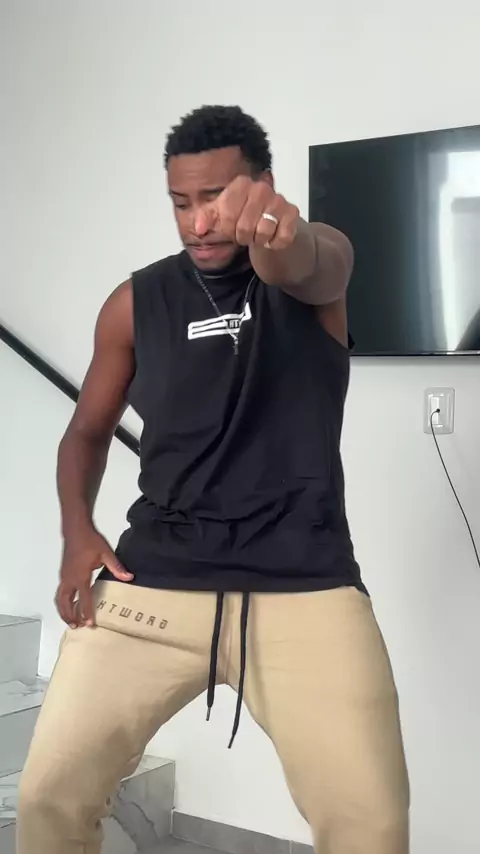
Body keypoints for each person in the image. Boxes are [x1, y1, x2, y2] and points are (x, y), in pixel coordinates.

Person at [17, 105, 409, 854]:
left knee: (374, 828)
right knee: (47, 799)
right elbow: (85, 434)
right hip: (154, 581)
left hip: (303, 587)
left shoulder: (318, 263)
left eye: (217, 198)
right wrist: (77, 534)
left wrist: (283, 239)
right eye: (181, 202)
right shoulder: (134, 303)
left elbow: (304, 262)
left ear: (262, 186)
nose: (198, 224)